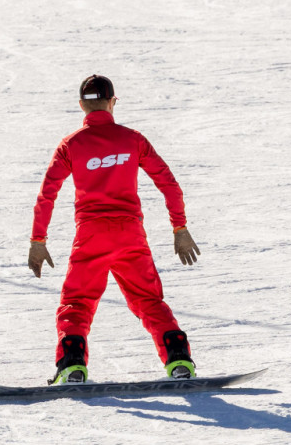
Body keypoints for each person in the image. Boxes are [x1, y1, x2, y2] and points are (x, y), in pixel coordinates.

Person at [28, 74, 201, 384]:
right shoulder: (132, 140)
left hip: (91, 235)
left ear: (82, 105)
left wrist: (38, 240)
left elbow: (47, 194)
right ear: (112, 102)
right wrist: (180, 228)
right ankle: (179, 362)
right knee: (149, 300)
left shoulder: (71, 145)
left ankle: (72, 366)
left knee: (77, 302)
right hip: (129, 233)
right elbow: (169, 185)